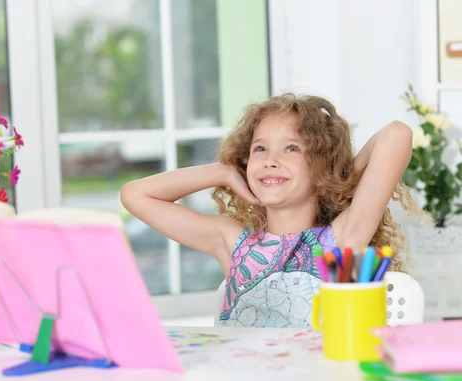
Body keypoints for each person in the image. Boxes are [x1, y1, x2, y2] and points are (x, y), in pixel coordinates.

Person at [120, 93, 421, 328]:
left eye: (292, 148)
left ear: (321, 165)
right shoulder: (233, 242)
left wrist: (338, 178)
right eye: (260, 149)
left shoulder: (340, 241)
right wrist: (222, 172)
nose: (270, 160)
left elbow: (397, 135)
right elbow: (135, 195)